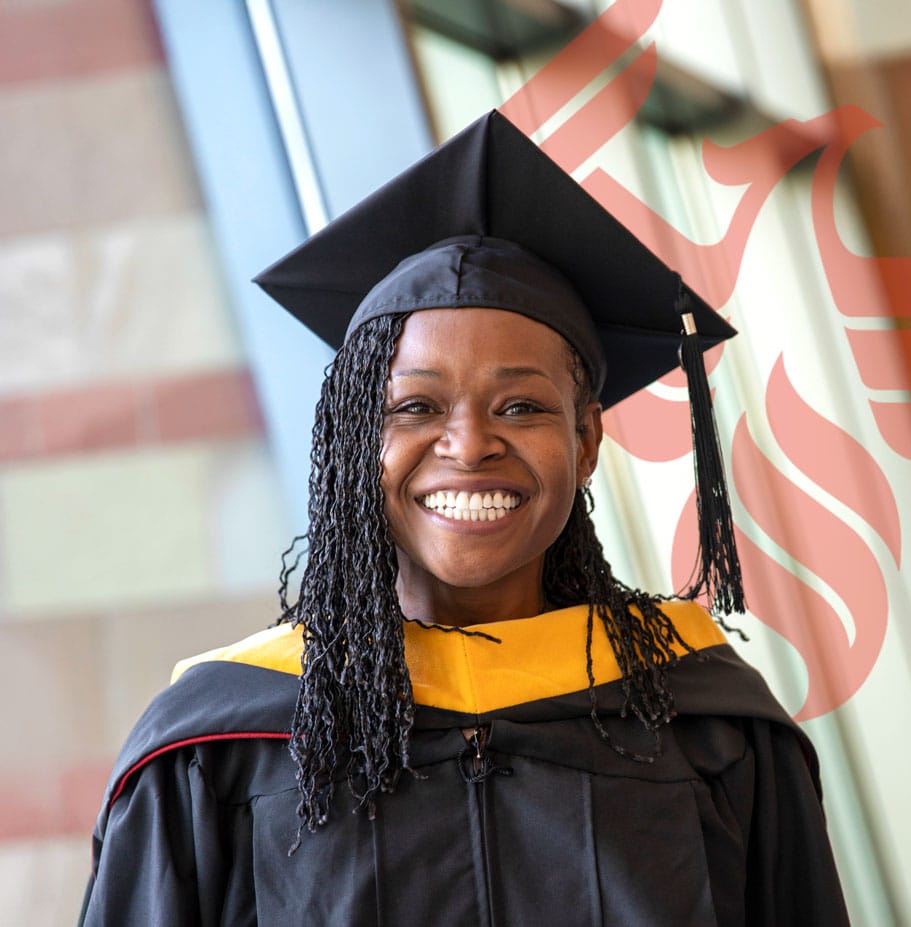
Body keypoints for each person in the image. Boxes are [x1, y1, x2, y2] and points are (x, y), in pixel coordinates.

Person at [79, 111, 849, 925]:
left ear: (587, 440)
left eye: (520, 406)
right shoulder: (217, 750)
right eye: (415, 406)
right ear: (353, 442)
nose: (470, 444)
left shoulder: (713, 727)